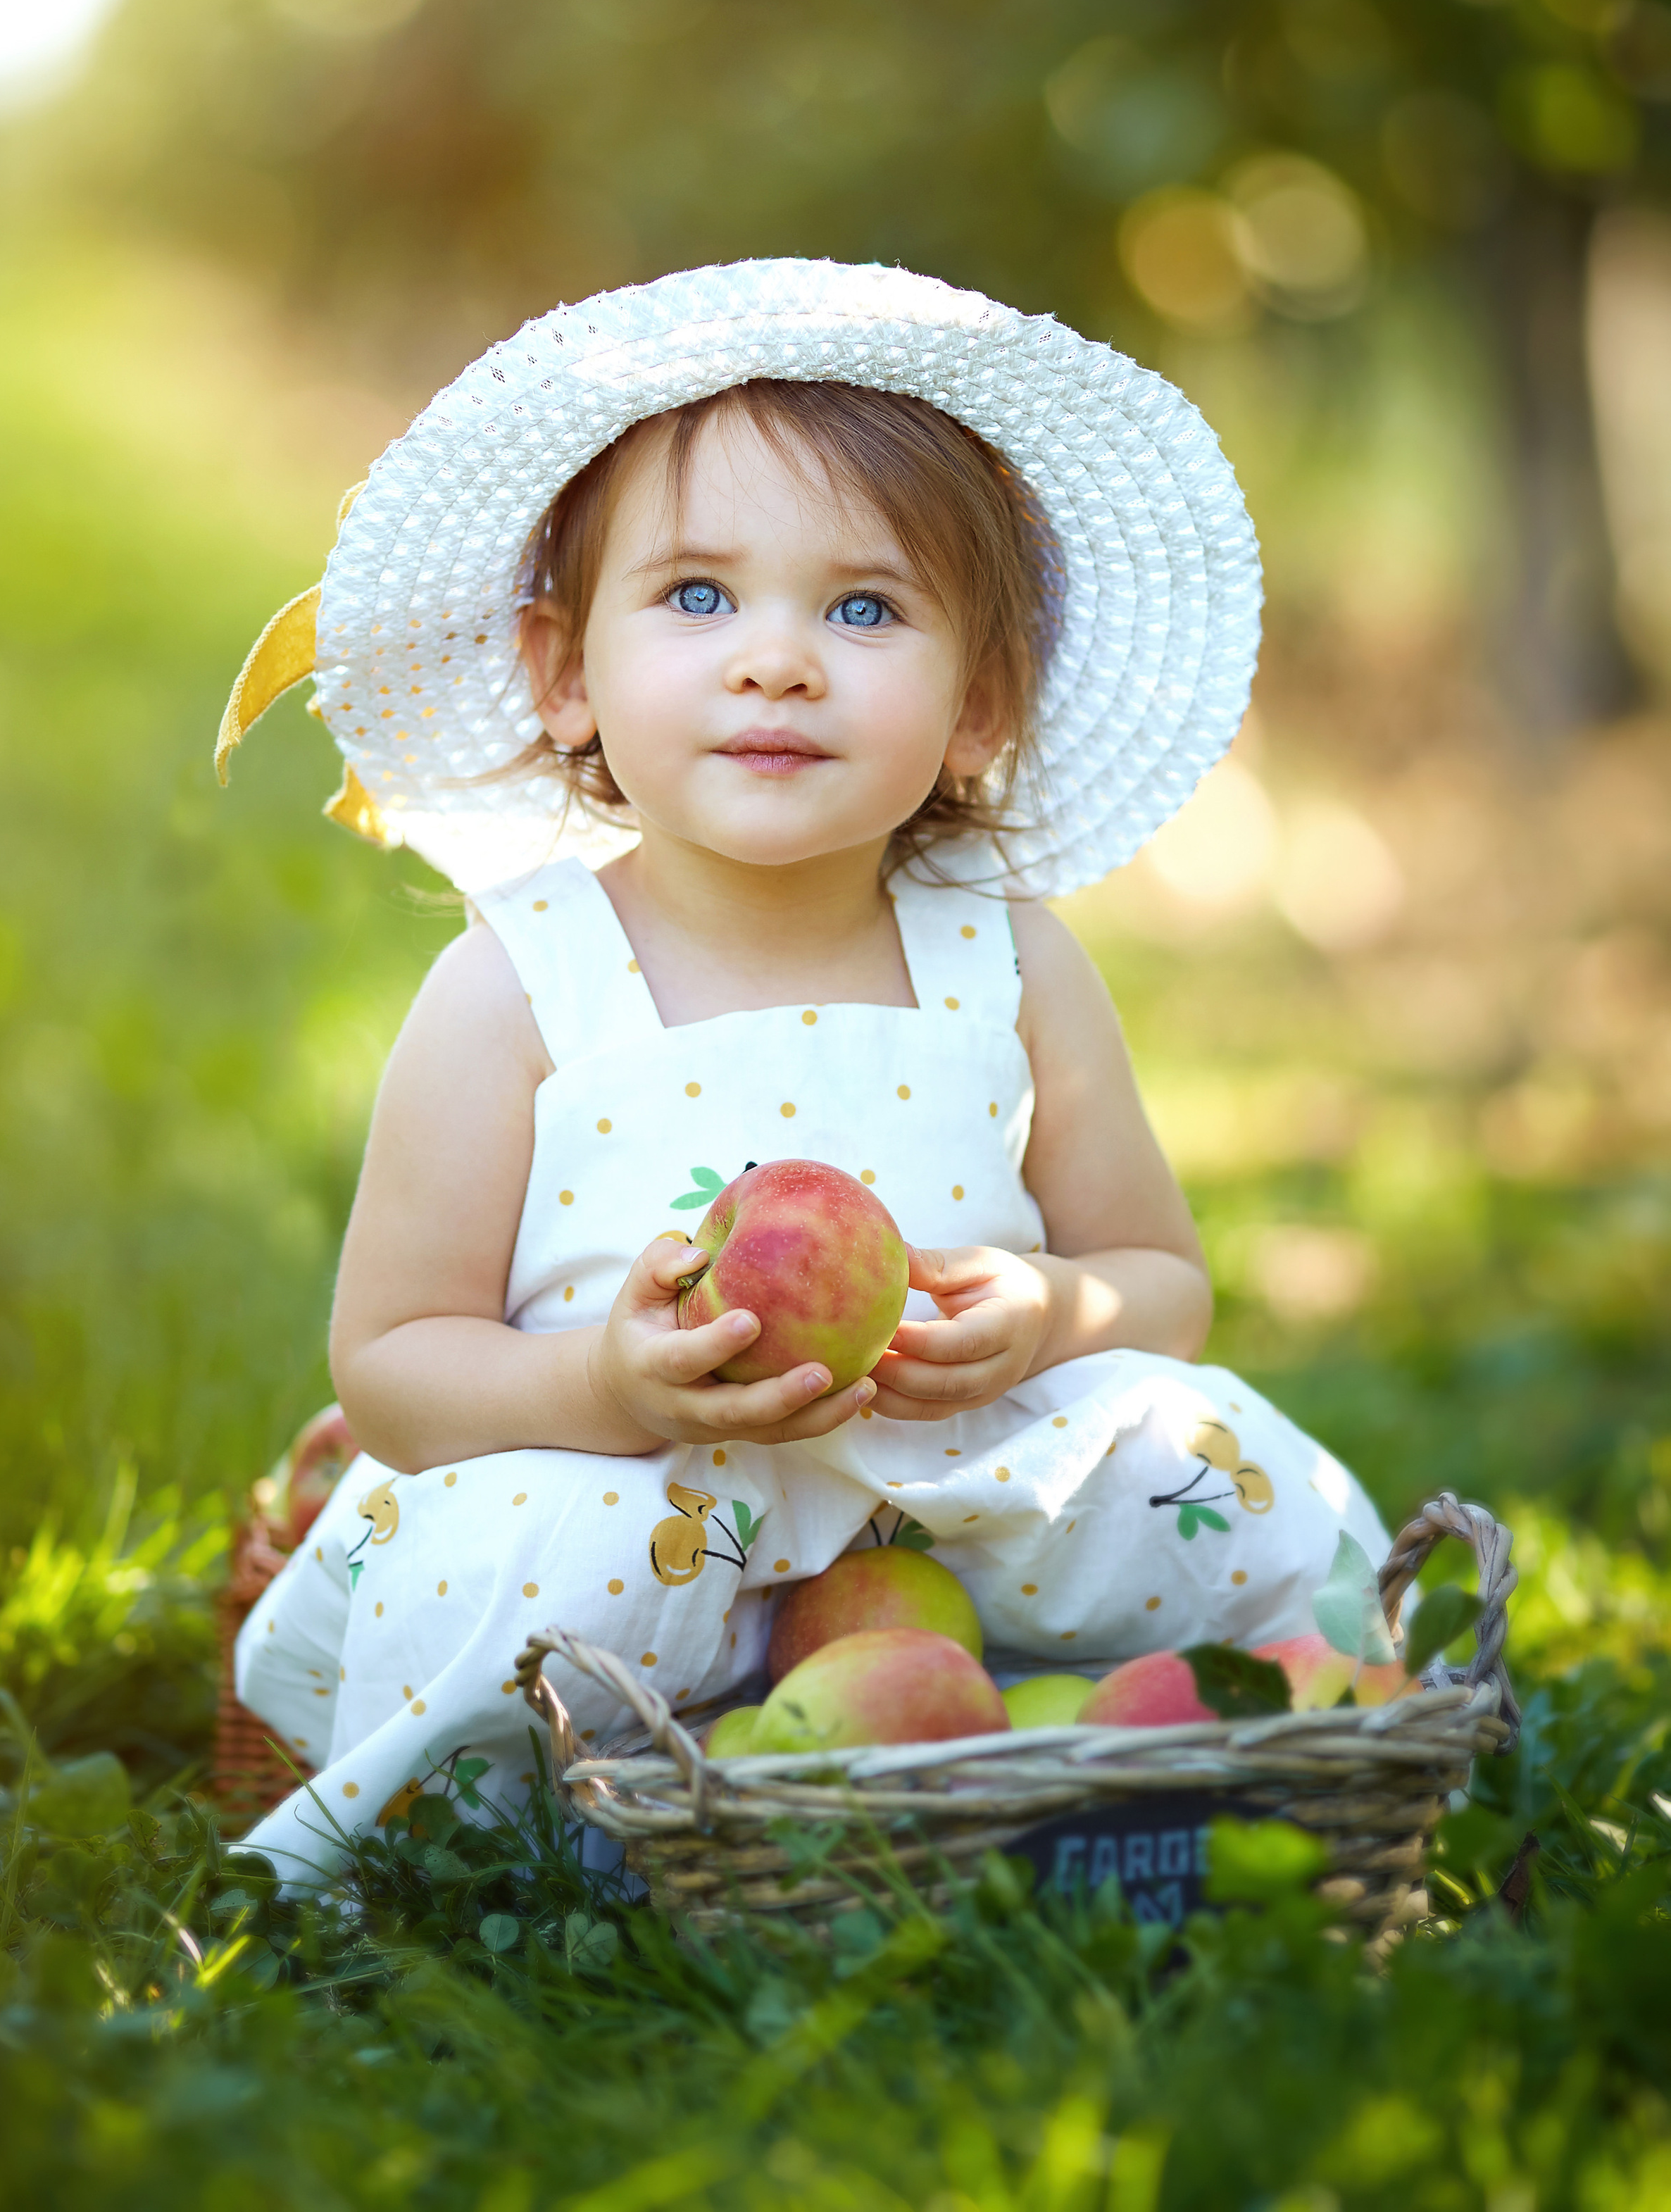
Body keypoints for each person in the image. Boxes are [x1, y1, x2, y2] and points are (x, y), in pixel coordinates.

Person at [225, 258, 1386, 1885]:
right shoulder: (515, 986)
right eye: (696, 597)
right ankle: (579, 1836)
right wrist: (600, 1390)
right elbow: (395, 1368)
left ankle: (1161, 1767)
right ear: (565, 672)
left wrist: (1048, 1316)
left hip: (959, 1515)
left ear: (978, 700)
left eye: (863, 608)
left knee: (1221, 1464)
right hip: (642, 1502)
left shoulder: (1008, 959)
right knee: (527, 1556)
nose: (775, 660)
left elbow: (1161, 1283)